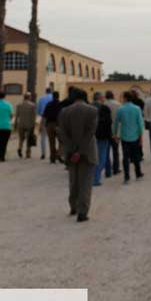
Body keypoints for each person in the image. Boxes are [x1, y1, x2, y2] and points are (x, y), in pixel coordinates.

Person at [57, 89, 98, 222]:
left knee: (73, 181)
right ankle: (82, 212)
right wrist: (80, 151)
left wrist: (73, 150)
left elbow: (62, 133)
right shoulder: (92, 111)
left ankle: (73, 206)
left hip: (70, 151)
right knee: (85, 182)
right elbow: (90, 133)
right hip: (87, 151)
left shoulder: (64, 111)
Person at [114, 91, 145, 183]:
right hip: (135, 136)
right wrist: (141, 136)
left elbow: (116, 123)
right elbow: (140, 124)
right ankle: (138, 173)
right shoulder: (137, 108)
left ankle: (127, 177)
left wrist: (115, 135)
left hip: (124, 137)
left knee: (125, 157)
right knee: (136, 156)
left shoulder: (120, 109)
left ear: (125, 98)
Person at [93, 94, 113, 187]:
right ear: (100, 98)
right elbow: (108, 122)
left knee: (92, 157)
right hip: (102, 137)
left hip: (90, 137)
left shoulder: (88, 106)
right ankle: (95, 179)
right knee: (101, 157)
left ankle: (90, 177)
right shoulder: (104, 108)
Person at [104, 90, 121, 177]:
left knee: (106, 152)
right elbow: (120, 121)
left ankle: (108, 170)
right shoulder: (118, 104)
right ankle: (116, 169)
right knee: (115, 151)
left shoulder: (103, 104)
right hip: (115, 131)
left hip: (106, 131)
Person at [15, 93, 38, 159]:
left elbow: (17, 116)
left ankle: (20, 148)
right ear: (29, 97)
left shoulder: (19, 105)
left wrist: (15, 124)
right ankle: (28, 153)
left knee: (21, 138)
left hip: (21, 124)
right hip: (29, 124)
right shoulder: (32, 105)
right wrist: (34, 124)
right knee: (29, 139)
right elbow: (34, 116)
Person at [43, 91, 63, 163]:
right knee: (62, 141)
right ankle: (59, 154)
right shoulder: (61, 104)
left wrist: (44, 125)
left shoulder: (48, 104)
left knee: (51, 142)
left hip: (49, 124)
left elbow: (45, 116)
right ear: (58, 96)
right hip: (58, 125)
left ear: (53, 97)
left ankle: (52, 158)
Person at [36, 86, 54, 160]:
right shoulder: (53, 98)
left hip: (44, 118)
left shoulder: (41, 98)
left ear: (45, 91)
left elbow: (38, 111)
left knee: (43, 137)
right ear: (51, 91)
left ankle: (43, 153)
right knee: (53, 137)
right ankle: (53, 153)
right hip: (53, 119)